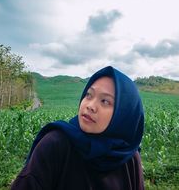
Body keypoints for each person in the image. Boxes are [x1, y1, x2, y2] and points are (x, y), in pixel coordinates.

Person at [11, 66, 145, 190]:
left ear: (123, 114)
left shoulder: (128, 157)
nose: (90, 105)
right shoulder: (56, 144)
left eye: (105, 101)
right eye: (89, 95)